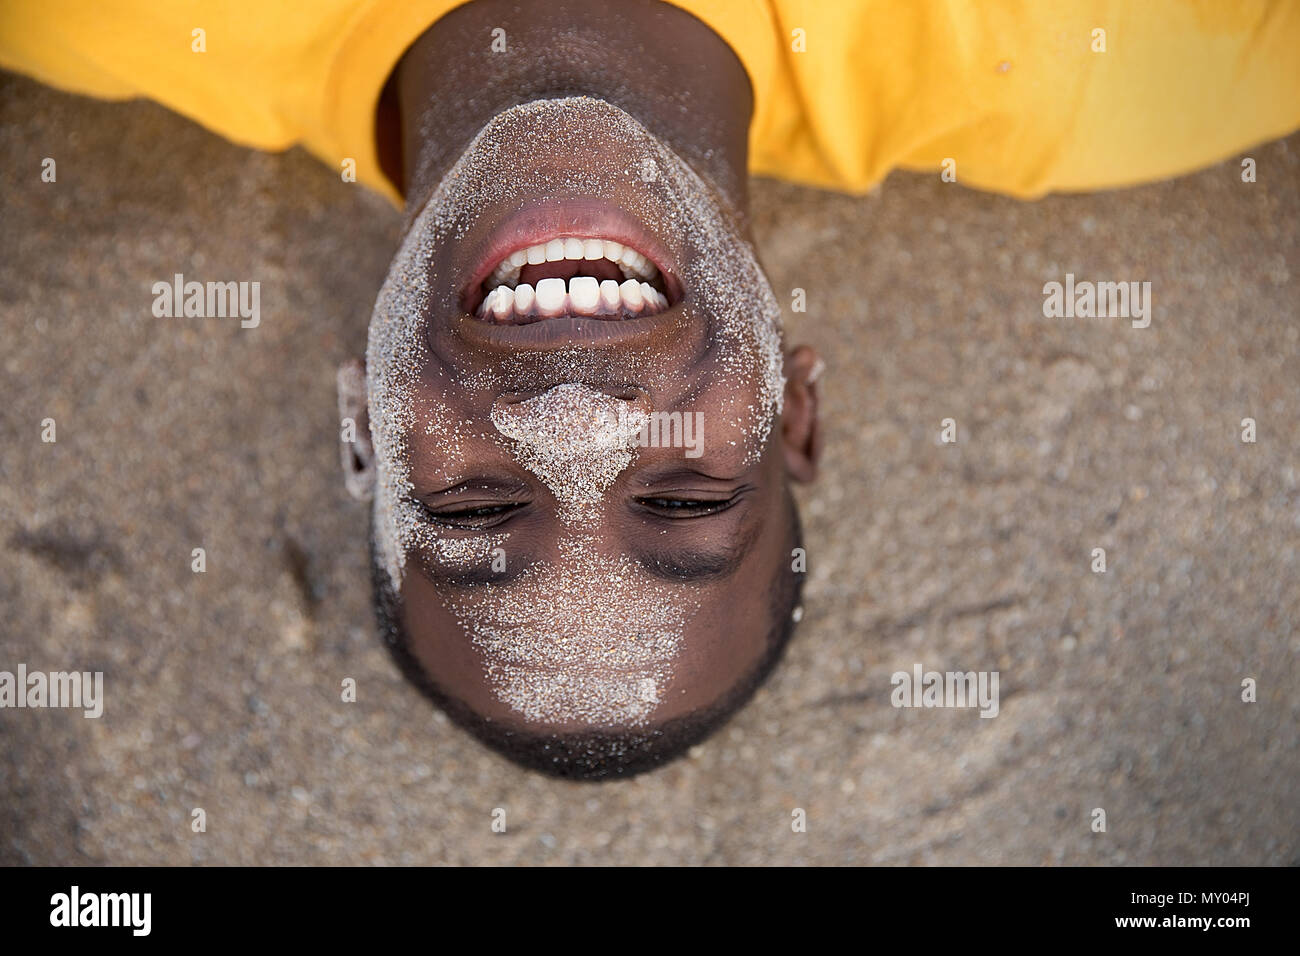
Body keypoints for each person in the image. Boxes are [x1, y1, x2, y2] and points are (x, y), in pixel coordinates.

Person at [4, 0, 1297, 778]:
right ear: (795, 414)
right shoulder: (1134, 50)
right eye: (679, 499)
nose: (572, 429)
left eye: (470, 510)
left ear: (361, 427)